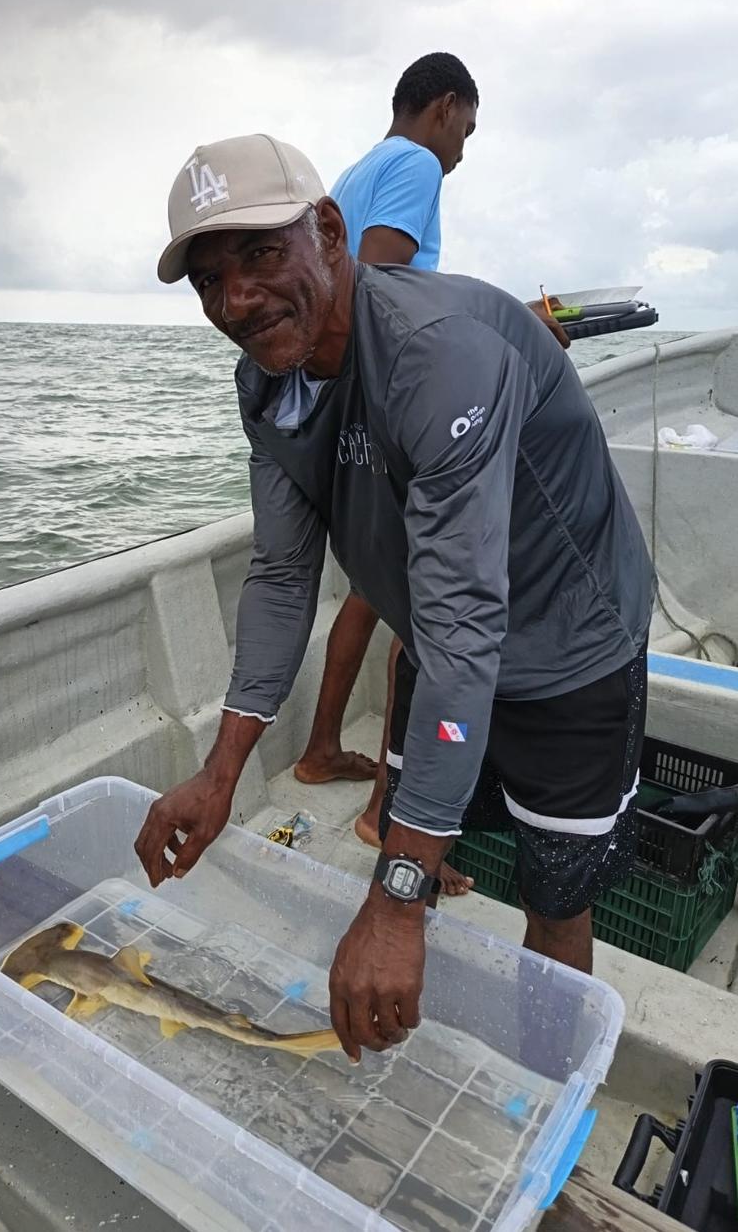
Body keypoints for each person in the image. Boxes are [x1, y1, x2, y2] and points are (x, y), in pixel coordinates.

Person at [136, 134, 653, 1063]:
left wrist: (393, 904)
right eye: (209, 280)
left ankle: (539, 1087)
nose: (236, 301)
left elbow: (468, 624)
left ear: (329, 233)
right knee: (411, 843)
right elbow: (283, 576)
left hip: (570, 645)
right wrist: (222, 772)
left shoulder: (436, 353)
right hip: (438, 637)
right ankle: (413, 1007)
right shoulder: (267, 381)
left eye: (259, 255)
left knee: (553, 892)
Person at [294, 54, 568, 900]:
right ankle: (391, 808)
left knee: (369, 592)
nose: (461, 154)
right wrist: (504, 326)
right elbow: (380, 284)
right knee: (428, 616)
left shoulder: (358, 167)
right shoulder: (414, 162)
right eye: (467, 132)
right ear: (444, 108)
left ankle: (320, 752)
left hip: (352, 404)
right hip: (398, 398)